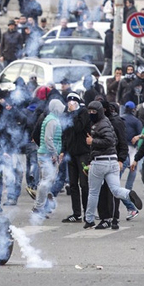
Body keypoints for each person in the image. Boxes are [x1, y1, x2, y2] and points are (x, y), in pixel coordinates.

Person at [83, 101, 143, 228]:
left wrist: (92, 141)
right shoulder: (109, 123)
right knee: (115, 190)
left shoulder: (100, 124)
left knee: (93, 192)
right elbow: (114, 139)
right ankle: (128, 194)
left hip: (100, 161)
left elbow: (109, 141)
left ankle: (89, 219)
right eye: (90, 111)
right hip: (112, 161)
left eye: (94, 111)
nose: (91, 114)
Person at [32, 99, 65, 219]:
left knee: (46, 181)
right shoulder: (52, 121)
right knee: (46, 182)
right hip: (47, 155)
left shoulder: (51, 119)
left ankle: (42, 205)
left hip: (46, 154)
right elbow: (48, 139)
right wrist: (54, 153)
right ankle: (39, 207)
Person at [61, 93, 90, 223]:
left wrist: (73, 113)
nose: (70, 104)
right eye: (68, 102)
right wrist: (63, 151)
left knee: (84, 184)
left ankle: (87, 212)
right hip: (71, 153)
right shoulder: (67, 115)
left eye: (72, 102)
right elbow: (65, 135)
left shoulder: (83, 113)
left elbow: (79, 127)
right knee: (73, 184)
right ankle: (76, 213)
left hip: (83, 153)